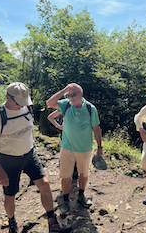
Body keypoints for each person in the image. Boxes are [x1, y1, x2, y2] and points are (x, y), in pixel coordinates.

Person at [0, 82, 71, 233]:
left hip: (30, 155)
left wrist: (33, 146)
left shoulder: (27, 108)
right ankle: (12, 224)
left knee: (45, 185)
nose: (21, 106)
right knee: (10, 195)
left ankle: (53, 223)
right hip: (8, 160)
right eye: (18, 103)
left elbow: (29, 129)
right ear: (8, 97)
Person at [46, 83, 103, 216]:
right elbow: (49, 103)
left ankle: (81, 196)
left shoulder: (90, 108)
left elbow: (96, 128)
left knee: (83, 174)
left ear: (81, 94)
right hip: (67, 148)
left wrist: (100, 147)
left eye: (73, 94)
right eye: (69, 95)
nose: (71, 97)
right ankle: (65, 200)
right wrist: (64, 90)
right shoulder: (66, 104)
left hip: (84, 148)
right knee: (66, 176)